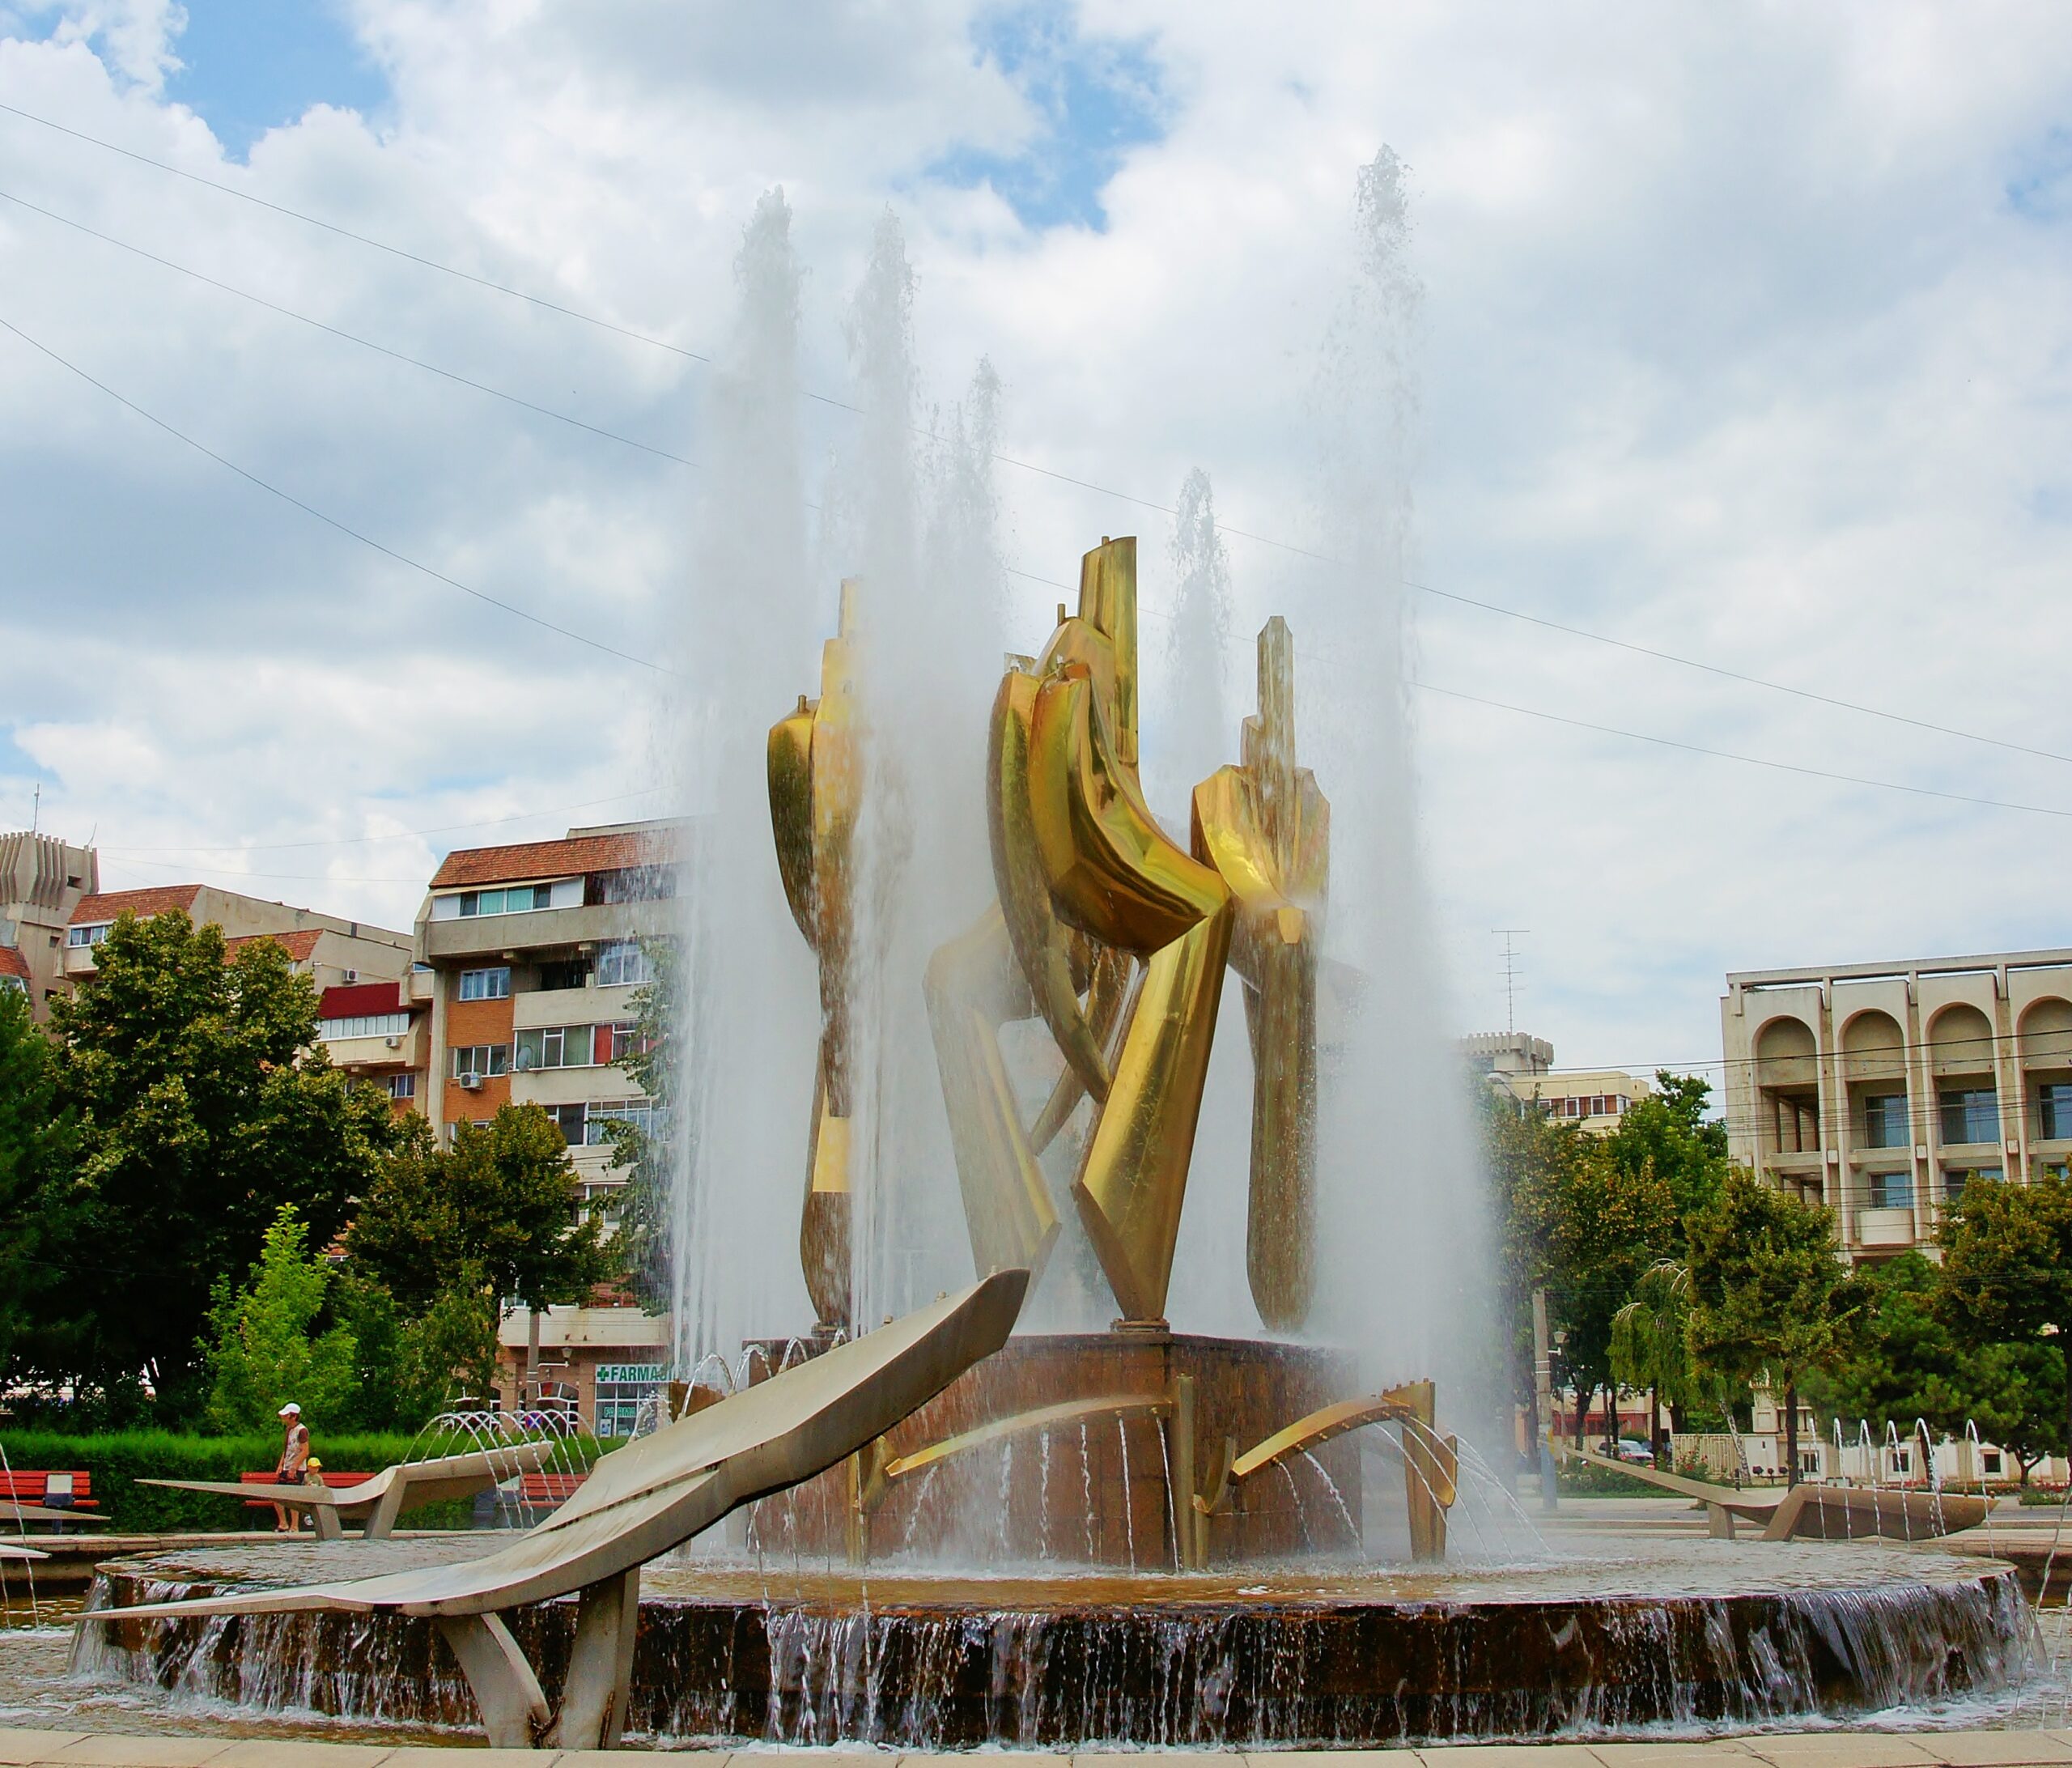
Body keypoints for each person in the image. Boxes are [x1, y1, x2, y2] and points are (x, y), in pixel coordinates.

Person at [273, 1402, 311, 1533]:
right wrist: (281, 1465)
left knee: (292, 1497)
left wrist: (294, 1467)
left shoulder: (302, 1430)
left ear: (293, 1416)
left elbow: (305, 1451)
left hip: (297, 1469)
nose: (283, 1418)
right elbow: (286, 1449)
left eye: (286, 1415)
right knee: (276, 1495)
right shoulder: (289, 1430)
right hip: (286, 1467)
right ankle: (283, 1523)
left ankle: (295, 1526)